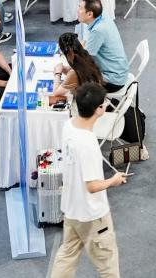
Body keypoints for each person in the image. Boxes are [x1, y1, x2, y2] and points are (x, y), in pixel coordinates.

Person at [51, 82, 127, 278]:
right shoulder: (88, 144)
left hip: (71, 207)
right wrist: (114, 180)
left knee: (67, 255)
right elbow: (92, 186)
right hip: (92, 214)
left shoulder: (69, 125)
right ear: (99, 109)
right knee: (108, 265)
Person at [77, 0, 131, 92]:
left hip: (112, 81)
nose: (77, 11)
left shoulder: (98, 31)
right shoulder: (103, 15)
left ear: (89, 14)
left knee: (74, 79)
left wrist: (59, 73)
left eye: (80, 8)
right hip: (120, 72)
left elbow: (84, 61)